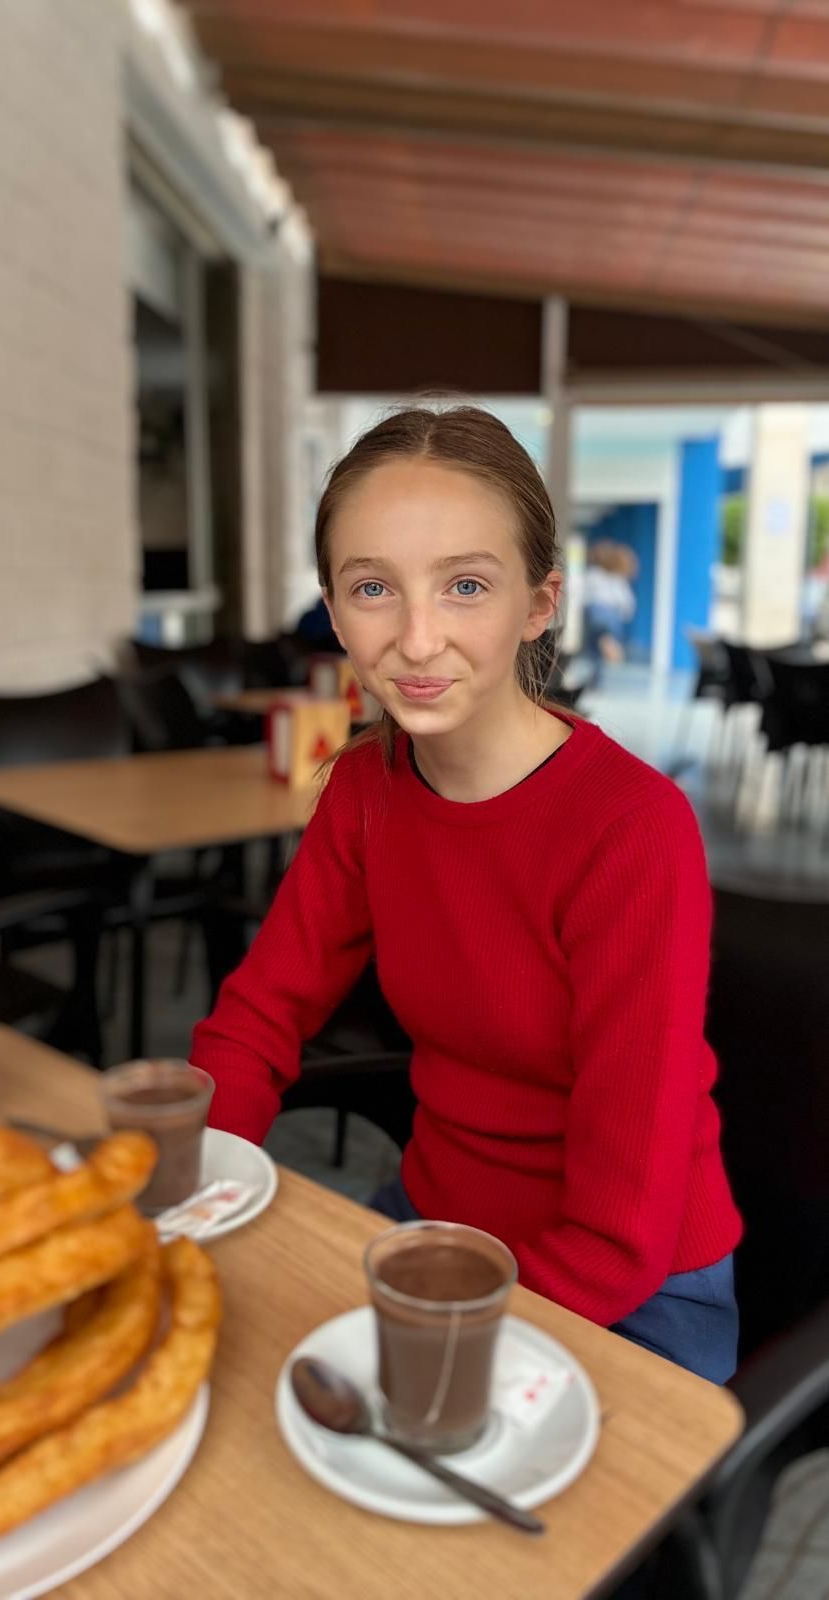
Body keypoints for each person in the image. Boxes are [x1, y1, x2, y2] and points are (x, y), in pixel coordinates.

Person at [191, 405, 741, 1386]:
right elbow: (259, 1016)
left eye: (467, 586)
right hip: (436, 1225)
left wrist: (438, 1351)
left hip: (632, 1285)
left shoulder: (633, 828)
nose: (415, 637)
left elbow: (622, 1230)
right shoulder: (367, 789)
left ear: (540, 603)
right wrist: (184, 1191)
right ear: (332, 605)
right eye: (373, 588)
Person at [581, 540, 638, 687]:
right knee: (602, 641)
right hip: (612, 616)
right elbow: (627, 604)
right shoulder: (618, 579)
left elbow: (582, 594)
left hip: (594, 613)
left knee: (594, 651)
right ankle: (609, 644)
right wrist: (625, 616)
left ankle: (596, 676)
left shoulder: (592, 575)